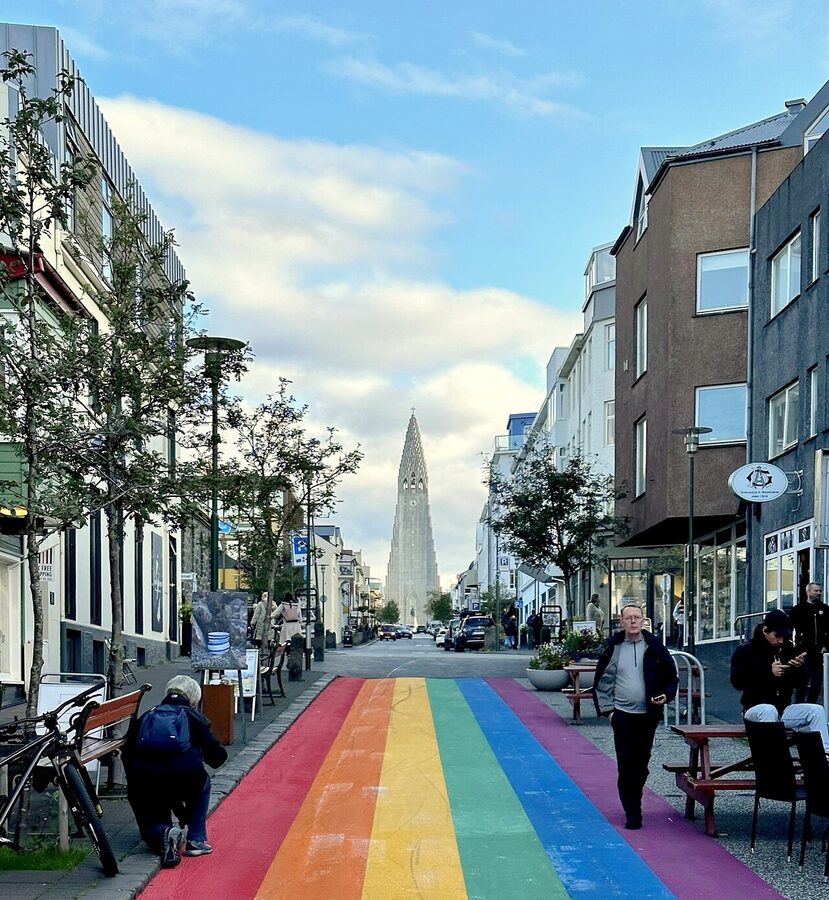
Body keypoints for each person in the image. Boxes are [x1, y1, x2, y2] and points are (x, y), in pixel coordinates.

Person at [124, 675, 228, 867]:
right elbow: (217, 758)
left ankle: (164, 831)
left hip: (146, 783)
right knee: (202, 782)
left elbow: (127, 753)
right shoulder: (195, 718)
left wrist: (135, 780)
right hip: (185, 782)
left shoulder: (148, 715)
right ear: (193, 698)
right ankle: (196, 840)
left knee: (150, 825)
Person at [593, 604, 678, 830]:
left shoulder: (655, 648)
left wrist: (666, 696)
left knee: (641, 765)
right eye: (628, 618)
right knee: (626, 765)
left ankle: (635, 798)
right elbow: (601, 681)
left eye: (637, 617)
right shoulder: (613, 648)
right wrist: (609, 713)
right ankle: (632, 811)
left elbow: (672, 678)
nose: (633, 621)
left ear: (643, 621)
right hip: (622, 716)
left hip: (647, 716)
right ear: (621, 621)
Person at [730, 608, 829, 750]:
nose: (780, 640)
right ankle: (774, 761)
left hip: (783, 710)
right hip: (754, 709)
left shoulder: (787, 649)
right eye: (777, 635)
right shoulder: (746, 650)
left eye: (784, 636)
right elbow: (738, 682)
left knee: (817, 710)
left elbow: (799, 685)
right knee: (769, 710)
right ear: (765, 630)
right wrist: (768, 673)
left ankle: (824, 756)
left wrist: (799, 669)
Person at [789, 582, 829, 703]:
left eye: (820, 591)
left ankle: (811, 705)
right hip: (803, 651)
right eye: (816, 591)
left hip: (819, 651)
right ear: (808, 592)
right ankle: (799, 706)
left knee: (817, 682)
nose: (819, 593)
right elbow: (790, 628)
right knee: (802, 681)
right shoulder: (798, 609)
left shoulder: (825, 609)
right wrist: (794, 647)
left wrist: (826, 645)